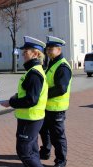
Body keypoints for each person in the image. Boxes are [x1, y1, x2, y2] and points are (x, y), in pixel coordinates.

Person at [1, 36, 48, 167]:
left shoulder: (34, 73)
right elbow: (28, 94)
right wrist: (15, 98)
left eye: (26, 51)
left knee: (25, 152)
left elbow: (31, 100)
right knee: (32, 151)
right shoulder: (32, 72)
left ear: (35, 53)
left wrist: (11, 103)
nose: (23, 54)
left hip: (30, 118)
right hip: (30, 117)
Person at [39, 36, 72, 167]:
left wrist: (43, 95)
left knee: (58, 137)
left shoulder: (62, 66)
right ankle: (46, 151)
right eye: (47, 49)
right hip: (47, 107)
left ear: (59, 49)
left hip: (57, 109)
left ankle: (61, 161)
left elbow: (61, 89)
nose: (48, 51)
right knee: (44, 131)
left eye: (51, 49)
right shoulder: (52, 62)